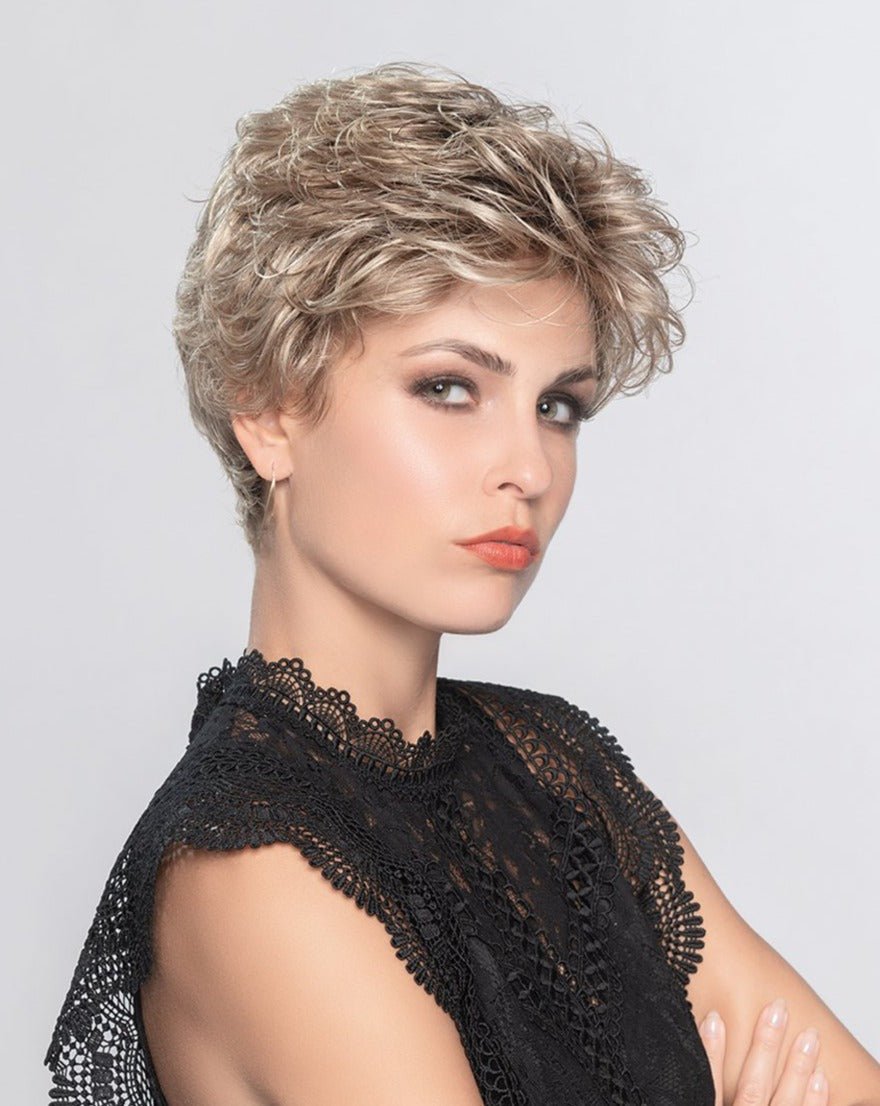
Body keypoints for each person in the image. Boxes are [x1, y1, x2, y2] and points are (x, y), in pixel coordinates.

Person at [43, 61, 880, 1106]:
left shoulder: (554, 772)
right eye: (449, 388)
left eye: (557, 406)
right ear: (267, 411)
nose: (528, 467)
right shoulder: (254, 866)